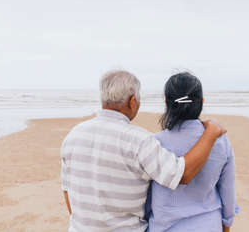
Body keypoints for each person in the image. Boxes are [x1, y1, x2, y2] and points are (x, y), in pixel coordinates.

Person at [60, 70, 227, 232]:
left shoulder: (72, 136)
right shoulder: (139, 141)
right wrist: (211, 133)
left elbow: (67, 191)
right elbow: (182, 174)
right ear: (132, 101)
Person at [146, 72, 238, 232]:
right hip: (209, 225)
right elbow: (228, 192)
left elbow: (146, 197)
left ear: (167, 103)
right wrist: (226, 223)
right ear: (202, 102)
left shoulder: (155, 143)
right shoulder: (221, 141)